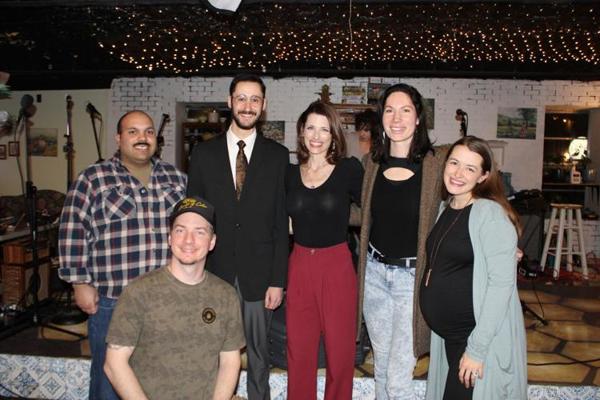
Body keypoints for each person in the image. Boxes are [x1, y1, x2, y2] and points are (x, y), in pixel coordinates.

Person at [58, 110, 187, 400]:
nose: (142, 138)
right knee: (109, 382)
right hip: (113, 301)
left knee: (159, 377)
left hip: (165, 301)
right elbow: (72, 229)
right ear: (118, 138)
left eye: (149, 132)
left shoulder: (177, 178)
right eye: (133, 131)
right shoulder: (93, 178)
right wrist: (79, 282)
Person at [187, 73, 289, 400]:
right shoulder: (203, 154)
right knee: (210, 350)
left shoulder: (277, 156)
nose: (248, 106)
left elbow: (280, 222)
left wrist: (277, 280)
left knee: (259, 356)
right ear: (229, 101)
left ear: (264, 105)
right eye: (241, 98)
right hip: (214, 272)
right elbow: (194, 219)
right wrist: (193, 273)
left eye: (254, 99)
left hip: (259, 276)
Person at [356, 83, 448, 400]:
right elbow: (362, 213)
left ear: (418, 117)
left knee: (398, 380)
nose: (397, 118)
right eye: (390, 110)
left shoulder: (436, 164)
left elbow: (472, 195)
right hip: (374, 276)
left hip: (412, 280)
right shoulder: (371, 164)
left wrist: (502, 234)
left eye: (405, 110)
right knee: (382, 368)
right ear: (381, 117)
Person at [104, 196, 245, 400]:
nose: (188, 240)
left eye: (199, 232)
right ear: (170, 238)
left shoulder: (226, 296)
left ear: (212, 241)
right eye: (180, 230)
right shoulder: (138, 292)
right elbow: (114, 364)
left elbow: (230, 361)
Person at [420, 136, 527, 400]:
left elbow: (501, 286)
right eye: (454, 163)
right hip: (452, 338)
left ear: (483, 176)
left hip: (473, 340)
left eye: (470, 168)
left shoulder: (489, 213)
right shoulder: (447, 207)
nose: (458, 173)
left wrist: (476, 350)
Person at [286, 101, 363, 399]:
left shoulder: (348, 170)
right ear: (302, 132)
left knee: (340, 353)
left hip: (336, 265)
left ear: (334, 135)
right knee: (299, 350)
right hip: (299, 264)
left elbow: (373, 209)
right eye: (311, 128)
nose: (316, 136)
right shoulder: (289, 173)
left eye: (324, 129)